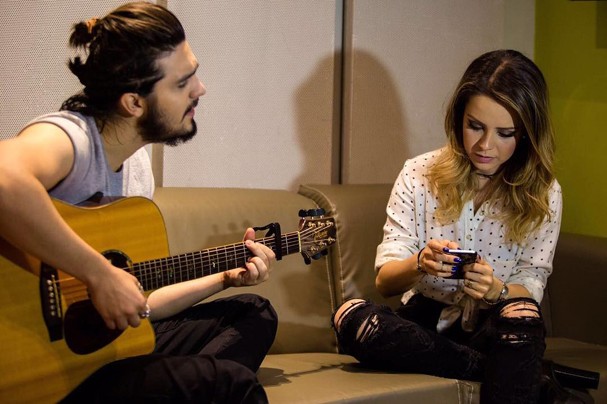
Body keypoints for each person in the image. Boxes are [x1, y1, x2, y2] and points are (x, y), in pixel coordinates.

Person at [0, 2, 277, 402]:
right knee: (231, 385)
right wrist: (99, 274)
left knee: (254, 311)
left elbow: (139, 301)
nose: (200, 90)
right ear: (133, 103)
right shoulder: (72, 138)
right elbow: (5, 178)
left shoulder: (136, 169)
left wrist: (223, 277)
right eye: (183, 83)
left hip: (98, 354)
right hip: (30, 359)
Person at [331, 49, 584, 403]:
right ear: (458, 118)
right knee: (350, 317)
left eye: (505, 133)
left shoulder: (543, 193)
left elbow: (531, 282)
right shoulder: (419, 173)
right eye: (475, 126)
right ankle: (524, 380)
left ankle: (509, 366)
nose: (485, 146)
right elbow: (385, 282)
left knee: (523, 313)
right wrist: (420, 263)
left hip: (496, 324)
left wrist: (497, 291)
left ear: (527, 133)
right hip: (425, 321)